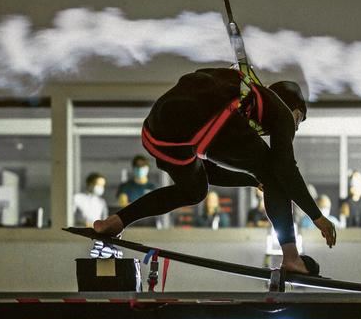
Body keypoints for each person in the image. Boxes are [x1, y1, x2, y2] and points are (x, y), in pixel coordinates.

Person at [93, 68, 336, 275]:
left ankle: (115, 222)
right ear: (294, 108)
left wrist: (253, 181)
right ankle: (292, 258)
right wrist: (317, 216)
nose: (294, 127)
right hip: (206, 119)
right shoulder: (280, 109)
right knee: (274, 173)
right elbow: (284, 168)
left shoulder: (241, 96)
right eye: (299, 120)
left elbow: (209, 173)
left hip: (159, 132)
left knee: (194, 190)